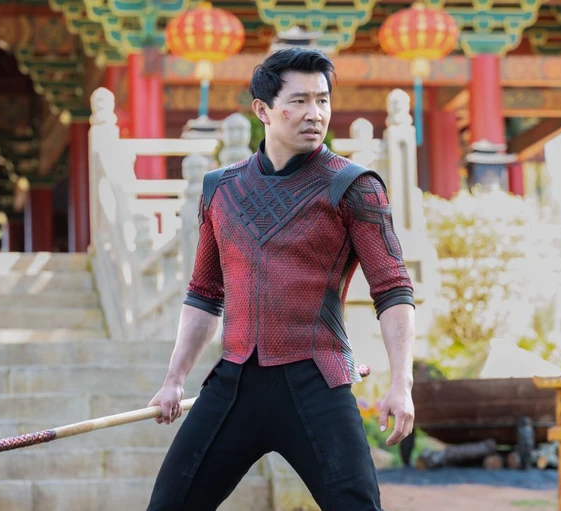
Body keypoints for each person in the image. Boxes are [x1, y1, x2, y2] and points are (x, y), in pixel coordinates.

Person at [146, 46, 416, 511]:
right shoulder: (219, 189)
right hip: (233, 383)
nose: (315, 113)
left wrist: (402, 383)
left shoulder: (354, 186)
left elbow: (394, 290)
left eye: (323, 100)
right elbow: (204, 295)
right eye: (299, 100)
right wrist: (174, 379)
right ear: (263, 110)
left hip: (318, 382)